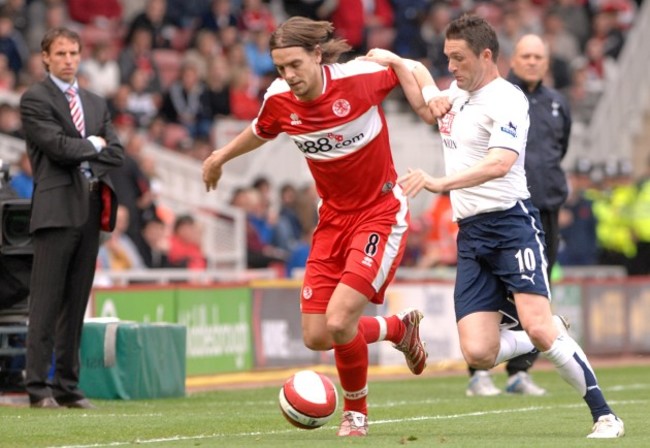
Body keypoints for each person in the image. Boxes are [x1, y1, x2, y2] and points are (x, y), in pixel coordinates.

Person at [378, 14, 624, 438]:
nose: (451, 67)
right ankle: (543, 331)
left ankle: (605, 415)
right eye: (447, 58)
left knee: (538, 325)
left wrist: (440, 182)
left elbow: (500, 163)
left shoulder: (508, 100)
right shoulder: (456, 93)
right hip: (472, 235)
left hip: (512, 224)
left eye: (458, 58)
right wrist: (395, 60)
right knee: (477, 350)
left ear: (486, 55)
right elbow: (424, 94)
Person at [202, 16, 430, 437]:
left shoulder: (358, 78)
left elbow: (409, 67)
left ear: (317, 56)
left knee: (341, 320)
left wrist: (428, 95)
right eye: (280, 69)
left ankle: (356, 414)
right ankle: (397, 328)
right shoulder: (279, 99)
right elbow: (261, 129)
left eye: (294, 65)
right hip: (332, 220)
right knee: (317, 335)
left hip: (380, 212)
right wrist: (219, 157)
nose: (288, 76)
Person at [19, 27, 124, 409]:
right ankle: (36, 387)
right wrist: (93, 145)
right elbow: (57, 148)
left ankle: (67, 385)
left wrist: (90, 149)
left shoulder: (96, 102)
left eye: (73, 53)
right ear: (45, 57)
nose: (68, 60)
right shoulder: (35, 98)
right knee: (45, 303)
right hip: (56, 209)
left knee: (77, 302)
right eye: (60, 53)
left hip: (92, 207)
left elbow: (117, 152)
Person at [467, 34, 572, 397]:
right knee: (494, 290)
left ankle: (519, 372)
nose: (531, 61)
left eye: (537, 56)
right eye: (525, 55)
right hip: (506, 211)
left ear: (546, 61)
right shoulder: (498, 97)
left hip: (546, 210)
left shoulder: (558, 104)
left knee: (537, 292)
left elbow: (560, 149)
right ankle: (479, 372)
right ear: (513, 59)